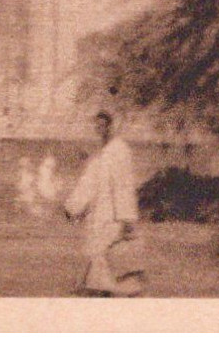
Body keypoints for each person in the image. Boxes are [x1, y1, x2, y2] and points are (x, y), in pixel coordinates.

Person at [63, 110, 143, 297]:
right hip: (99, 213)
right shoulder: (102, 154)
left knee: (103, 250)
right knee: (97, 250)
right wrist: (73, 207)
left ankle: (110, 289)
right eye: (96, 125)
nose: (98, 129)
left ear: (109, 125)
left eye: (102, 125)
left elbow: (124, 186)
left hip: (114, 213)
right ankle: (99, 288)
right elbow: (89, 182)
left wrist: (126, 217)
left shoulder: (120, 151)